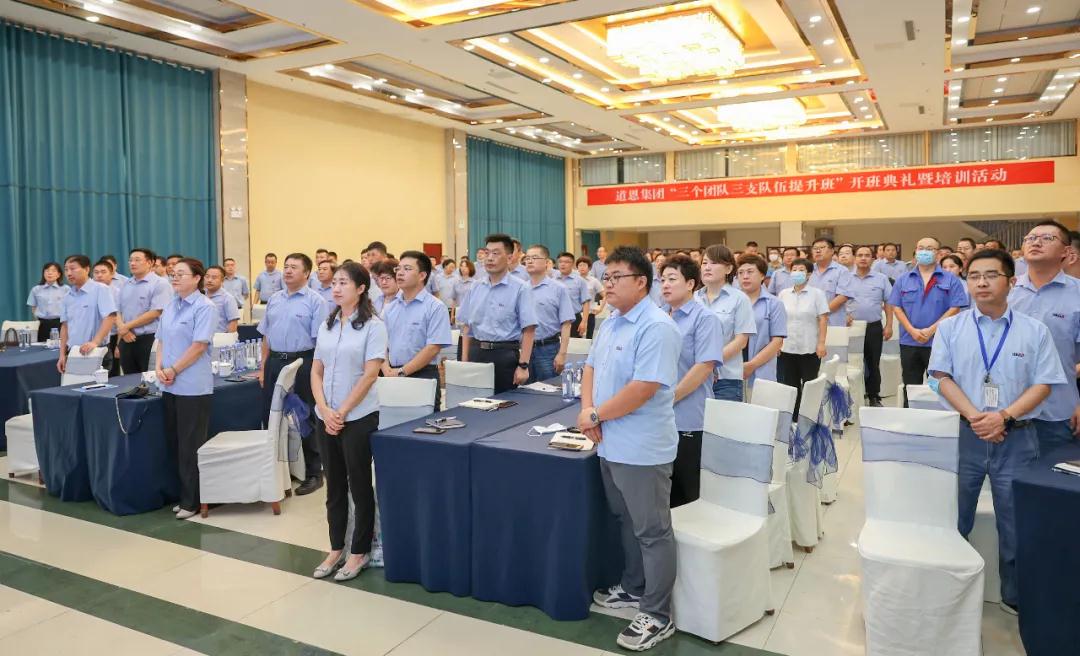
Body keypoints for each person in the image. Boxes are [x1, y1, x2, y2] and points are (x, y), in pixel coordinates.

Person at [929, 249, 1065, 615]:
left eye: (991, 275)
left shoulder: (1034, 330)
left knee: (1016, 521)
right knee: (953, 515)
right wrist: (978, 417)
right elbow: (939, 377)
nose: (981, 283)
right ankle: (951, 588)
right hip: (964, 435)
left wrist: (1002, 417)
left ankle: (1014, 596)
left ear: (1011, 281)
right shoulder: (951, 328)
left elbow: (1044, 384)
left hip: (1017, 437)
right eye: (974, 276)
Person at [580, 246, 681, 652]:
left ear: (641, 282)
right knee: (626, 520)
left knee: (652, 531)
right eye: (605, 277)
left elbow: (643, 388)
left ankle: (657, 614)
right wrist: (588, 410)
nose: (607, 285)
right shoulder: (610, 322)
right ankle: (634, 587)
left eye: (615, 277)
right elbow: (590, 367)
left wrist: (595, 415)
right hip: (609, 442)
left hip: (642, 447)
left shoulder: (656, 327)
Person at [309, 262, 387, 582]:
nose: (336, 288)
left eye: (344, 282)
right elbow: (316, 370)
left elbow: (370, 375)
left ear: (361, 288)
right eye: (334, 283)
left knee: (359, 485)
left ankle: (359, 551)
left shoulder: (373, 326)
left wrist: (341, 411)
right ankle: (336, 547)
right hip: (326, 416)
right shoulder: (327, 324)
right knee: (334, 487)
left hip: (358, 417)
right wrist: (324, 409)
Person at [258, 252, 329, 496]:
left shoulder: (316, 301)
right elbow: (266, 337)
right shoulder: (274, 299)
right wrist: (263, 368)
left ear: (307, 273)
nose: (287, 271)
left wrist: (317, 373)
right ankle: (278, 470)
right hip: (275, 362)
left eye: (294, 267)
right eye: (286, 266)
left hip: (303, 362)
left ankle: (314, 472)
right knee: (272, 415)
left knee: (304, 417)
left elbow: (321, 342)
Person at [1007, 220, 1080, 449]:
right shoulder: (1006, 293)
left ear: (1066, 252)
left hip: (1058, 412)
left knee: (1055, 471)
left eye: (1047, 238)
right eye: (1030, 238)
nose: (1036, 242)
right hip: (1007, 412)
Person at [155, 258, 216, 520]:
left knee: (191, 445)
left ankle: (193, 501)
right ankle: (183, 495)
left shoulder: (205, 307)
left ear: (197, 278)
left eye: (181, 274)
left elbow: (199, 346)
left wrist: (174, 370)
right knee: (175, 442)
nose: (175, 278)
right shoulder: (171, 305)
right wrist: (159, 368)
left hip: (192, 386)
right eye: (173, 274)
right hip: (169, 384)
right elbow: (160, 340)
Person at [660, 254, 722, 508]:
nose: (665, 284)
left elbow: (704, 366)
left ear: (690, 284)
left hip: (687, 416)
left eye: (672, 279)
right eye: (662, 279)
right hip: (657, 416)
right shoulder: (659, 317)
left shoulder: (704, 318)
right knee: (662, 491)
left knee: (686, 492)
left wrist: (669, 398)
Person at [888, 237, 967, 405]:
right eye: (921, 248)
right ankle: (911, 417)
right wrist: (912, 331)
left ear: (938, 254)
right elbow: (896, 307)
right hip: (909, 341)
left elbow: (955, 308)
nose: (924, 251)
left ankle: (939, 418)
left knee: (941, 385)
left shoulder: (950, 279)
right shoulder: (903, 279)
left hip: (940, 341)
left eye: (930, 248)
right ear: (916, 251)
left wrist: (931, 330)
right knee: (910, 385)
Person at [458, 234, 537, 393]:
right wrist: (464, 361)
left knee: (504, 404)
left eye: (495, 253)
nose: (489, 258)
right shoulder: (475, 287)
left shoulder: (521, 288)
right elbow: (467, 328)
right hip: (476, 353)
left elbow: (529, 330)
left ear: (509, 258)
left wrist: (523, 366)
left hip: (504, 355)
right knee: (473, 402)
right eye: (487, 253)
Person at [382, 251, 452, 409]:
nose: (400, 273)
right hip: (391, 375)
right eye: (398, 269)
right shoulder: (390, 308)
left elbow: (433, 348)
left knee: (423, 423)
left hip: (423, 375)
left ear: (422, 275)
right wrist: (386, 370)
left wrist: (402, 372)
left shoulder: (435, 307)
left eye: (407, 269)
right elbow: (381, 343)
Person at [696, 245, 756, 402]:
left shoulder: (739, 299)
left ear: (728, 269)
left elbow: (741, 341)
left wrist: (709, 363)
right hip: (693, 377)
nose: (707, 267)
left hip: (726, 379)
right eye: (704, 263)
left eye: (714, 263)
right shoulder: (693, 298)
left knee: (723, 419)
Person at [838, 246, 893, 406]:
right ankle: (851, 395)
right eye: (860, 255)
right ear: (855, 258)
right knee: (850, 363)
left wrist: (889, 325)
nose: (863, 258)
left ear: (873, 259)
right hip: (850, 328)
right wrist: (844, 315)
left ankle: (873, 395)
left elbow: (889, 302)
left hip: (873, 326)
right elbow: (837, 300)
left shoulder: (881, 278)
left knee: (873, 362)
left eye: (867, 255)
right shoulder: (845, 278)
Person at [777, 258, 829, 416]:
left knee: (809, 385)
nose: (797, 273)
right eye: (794, 270)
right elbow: (778, 319)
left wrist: (821, 343)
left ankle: (809, 417)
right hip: (787, 347)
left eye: (801, 270)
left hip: (809, 347)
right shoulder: (783, 294)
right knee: (790, 386)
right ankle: (793, 418)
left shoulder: (817, 294)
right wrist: (777, 343)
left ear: (809, 274)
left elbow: (823, 319)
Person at [58, 255, 117, 375]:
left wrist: (95, 342)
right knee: (73, 385)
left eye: (73, 268)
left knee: (97, 386)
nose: (69, 273)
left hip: (96, 350)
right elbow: (64, 326)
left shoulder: (101, 289)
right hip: (73, 352)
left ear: (86, 269)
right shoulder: (67, 296)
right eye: (66, 269)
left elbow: (110, 317)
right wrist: (62, 354)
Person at [116, 248, 173, 374]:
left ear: (150, 263)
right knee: (129, 378)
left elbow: (155, 312)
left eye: (137, 260)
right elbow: (117, 311)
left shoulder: (160, 283)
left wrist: (126, 327)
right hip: (127, 338)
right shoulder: (126, 284)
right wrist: (124, 331)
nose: (132, 263)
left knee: (151, 377)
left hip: (150, 339)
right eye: (130, 260)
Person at [523, 245, 574, 383]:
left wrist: (562, 354)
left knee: (548, 390)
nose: (529, 261)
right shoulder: (521, 289)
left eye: (534, 257)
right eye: (527, 258)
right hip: (524, 350)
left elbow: (566, 324)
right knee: (524, 391)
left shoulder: (559, 289)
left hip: (548, 349)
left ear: (546, 262)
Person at [736, 254, 787, 388]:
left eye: (750, 272)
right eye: (740, 273)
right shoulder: (731, 302)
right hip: (731, 371)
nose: (745, 276)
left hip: (761, 371)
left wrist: (751, 365)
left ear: (762, 275)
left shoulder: (774, 303)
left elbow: (777, 342)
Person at [809, 237, 854, 328]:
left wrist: (821, 313)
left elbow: (842, 297)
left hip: (833, 322)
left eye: (822, 248)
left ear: (832, 251)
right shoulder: (807, 270)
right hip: (809, 322)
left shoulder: (842, 271)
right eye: (815, 248)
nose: (818, 251)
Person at [27, 262, 68, 343]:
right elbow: (33, 307)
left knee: (59, 347)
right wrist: (38, 319)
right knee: (41, 347)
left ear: (58, 274)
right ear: (43, 274)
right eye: (47, 270)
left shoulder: (65, 289)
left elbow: (70, 307)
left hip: (60, 323)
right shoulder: (36, 289)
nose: (50, 273)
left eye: (53, 271)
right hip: (42, 324)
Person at [554, 251, 591, 338]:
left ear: (573, 264)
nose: (563, 264)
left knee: (574, 345)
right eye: (560, 262)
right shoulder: (552, 280)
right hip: (555, 319)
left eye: (566, 262)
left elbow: (586, 302)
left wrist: (584, 322)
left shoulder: (580, 281)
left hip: (574, 319)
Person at [204, 265, 240, 333]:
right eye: (207, 277)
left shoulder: (228, 298)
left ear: (222, 280)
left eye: (214, 277)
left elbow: (233, 323)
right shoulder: (200, 295)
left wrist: (228, 338)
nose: (209, 280)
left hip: (220, 337)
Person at [577, 256, 605, 339]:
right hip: (576, 314)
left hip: (590, 314)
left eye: (584, 265)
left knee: (588, 339)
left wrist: (600, 308)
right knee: (576, 339)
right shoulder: (574, 280)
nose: (582, 267)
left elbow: (605, 295)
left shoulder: (594, 281)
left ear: (589, 267)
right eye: (580, 265)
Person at [452, 258, 477, 324]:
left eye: (465, 266)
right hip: (458, 312)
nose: (463, 268)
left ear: (470, 268)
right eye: (461, 266)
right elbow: (454, 300)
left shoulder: (475, 283)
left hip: (470, 313)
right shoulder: (456, 282)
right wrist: (452, 315)